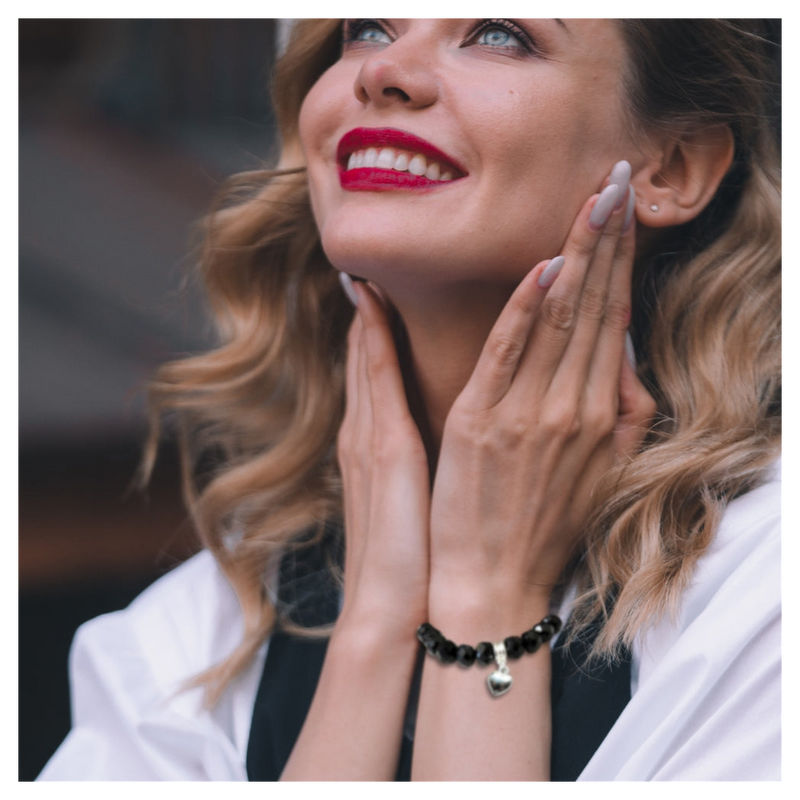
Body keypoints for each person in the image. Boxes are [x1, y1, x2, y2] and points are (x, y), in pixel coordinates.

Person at [37, 15, 784, 784]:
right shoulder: (198, 637)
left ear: (673, 166)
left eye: (499, 33)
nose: (384, 70)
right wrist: (373, 625)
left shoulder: (761, 589)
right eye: (366, 28)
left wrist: (490, 599)